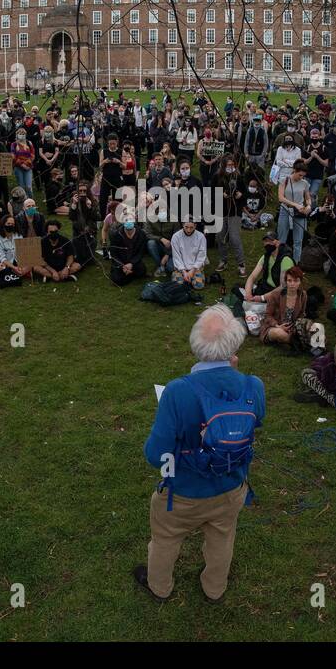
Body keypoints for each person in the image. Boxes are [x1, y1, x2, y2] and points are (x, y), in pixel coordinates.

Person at [135, 304, 265, 602]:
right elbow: (255, 421)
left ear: (196, 343)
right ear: (234, 343)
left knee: (166, 540)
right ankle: (214, 589)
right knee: (222, 538)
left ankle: (160, 587)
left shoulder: (177, 391)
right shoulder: (253, 386)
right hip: (232, 485)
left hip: (182, 493)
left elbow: (156, 455)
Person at [259, 266, 312, 350]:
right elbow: (267, 315)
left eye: (295, 281)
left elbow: (302, 314)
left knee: (316, 327)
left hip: (293, 328)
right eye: (289, 280)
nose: (292, 284)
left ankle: (299, 343)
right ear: (286, 282)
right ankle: (301, 344)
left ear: (300, 282)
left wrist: (296, 327)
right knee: (280, 334)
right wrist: (278, 325)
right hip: (274, 327)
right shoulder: (275, 294)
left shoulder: (303, 295)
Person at [276, 161, 312, 263]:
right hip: (285, 210)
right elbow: (281, 198)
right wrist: (294, 204)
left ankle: (296, 264)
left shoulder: (305, 183)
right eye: (300, 175)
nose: (301, 177)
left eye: (303, 176)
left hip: (299, 213)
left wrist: (309, 205)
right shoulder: (284, 180)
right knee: (282, 238)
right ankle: (279, 261)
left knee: (298, 240)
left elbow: (308, 197)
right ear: (294, 171)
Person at [109, 215, 148, 287]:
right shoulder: (116, 235)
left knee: (142, 271)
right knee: (117, 280)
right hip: (121, 262)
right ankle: (129, 273)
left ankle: (129, 274)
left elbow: (141, 252)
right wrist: (122, 266)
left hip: (134, 262)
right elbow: (113, 254)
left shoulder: (141, 234)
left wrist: (131, 263)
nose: (129, 222)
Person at [170, 219, 208, 291]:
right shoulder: (176, 237)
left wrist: (193, 270)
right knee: (178, 286)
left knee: (198, 286)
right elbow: (176, 256)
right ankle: (186, 279)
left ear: (195, 226)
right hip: (180, 268)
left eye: (191, 227)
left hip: (196, 268)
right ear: (183, 225)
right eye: (186, 227)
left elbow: (201, 255)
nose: (188, 230)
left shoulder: (201, 237)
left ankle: (192, 279)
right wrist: (184, 271)